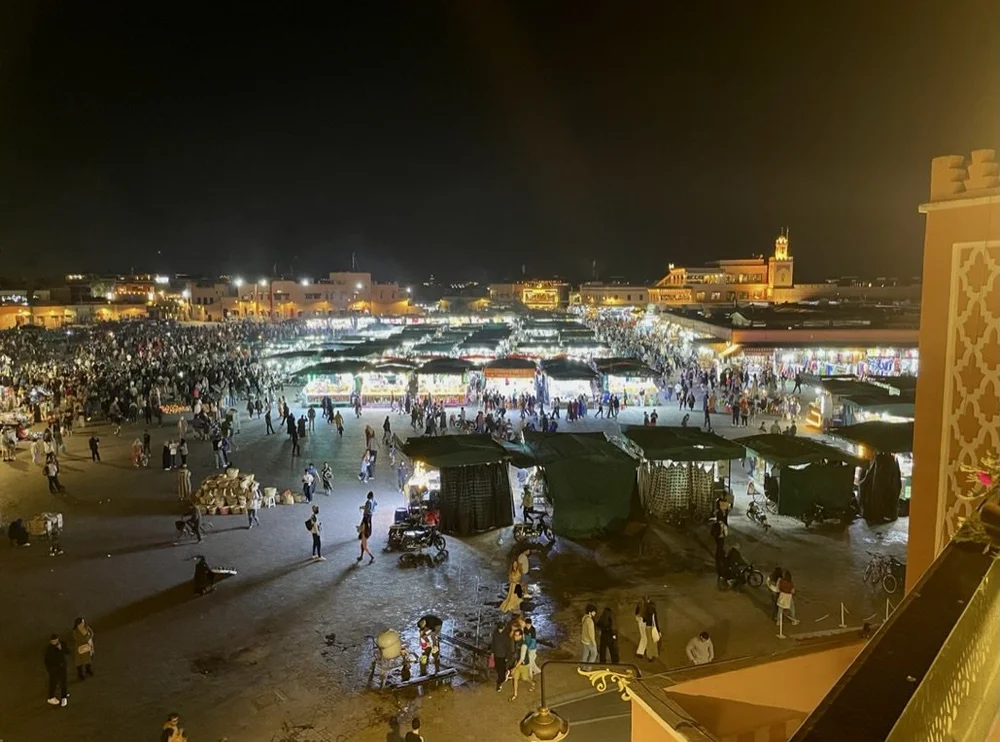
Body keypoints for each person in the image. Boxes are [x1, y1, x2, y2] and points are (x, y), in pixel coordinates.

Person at [45, 634, 70, 707]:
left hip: (62, 667)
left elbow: (68, 651)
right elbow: (47, 660)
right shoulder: (49, 649)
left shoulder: (62, 644)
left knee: (63, 682)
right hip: (54, 669)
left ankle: (64, 697)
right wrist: (50, 669)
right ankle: (51, 696)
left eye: (55, 641)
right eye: (53, 641)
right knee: (53, 683)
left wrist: (61, 649)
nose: (54, 642)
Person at [509, 627, 531, 700]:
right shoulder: (517, 642)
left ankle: (532, 683)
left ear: (521, 636)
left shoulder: (523, 645)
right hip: (518, 663)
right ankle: (515, 694)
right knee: (515, 679)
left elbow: (522, 659)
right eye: (515, 635)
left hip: (524, 665)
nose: (515, 637)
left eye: (517, 635)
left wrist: (515, 668)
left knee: (525, 679)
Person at [490, 622, 513, 692]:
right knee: (498, 668)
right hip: (497, 655)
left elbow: (508, 648)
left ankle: (499, 683)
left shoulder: (506, 636)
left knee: (501, 672)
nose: (500, 630)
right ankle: (504, 675)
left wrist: (507, 657)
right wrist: (492, 652)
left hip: (503, 656)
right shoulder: (495, 634)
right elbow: (493, 643)